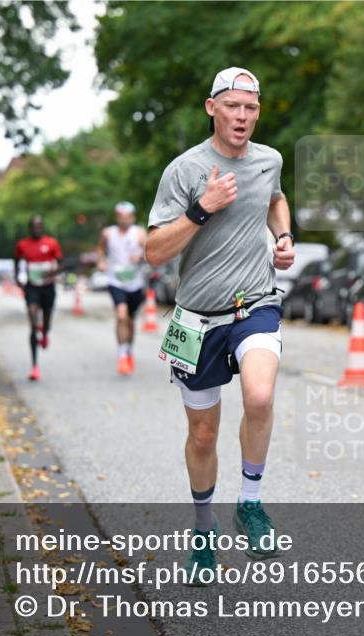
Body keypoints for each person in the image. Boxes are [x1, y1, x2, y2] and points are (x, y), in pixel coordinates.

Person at [145, 67, 295, 584]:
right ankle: (204, 533)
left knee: (259, 396)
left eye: (251, 108)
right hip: (195, 320)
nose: (242, 117)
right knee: (203, 435)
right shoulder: (184, 170)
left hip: (253, 304)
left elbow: (274, 197)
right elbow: (154, 251)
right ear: (212, 108)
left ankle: (250, 504)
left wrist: (284, 236)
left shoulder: (268, 160)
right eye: (233, 106)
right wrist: (202, 209)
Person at [97, 202, 147, 375]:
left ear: (132, 218)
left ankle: (128, 349)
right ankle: (122, 355)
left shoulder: (139, 233)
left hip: (135, 283)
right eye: (121, 217)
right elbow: (100, 250)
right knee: (121, 314)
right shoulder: (108, 233)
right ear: (116, 217)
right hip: (115, 281)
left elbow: (150, 252)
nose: (124, 221)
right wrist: (101, 261)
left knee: (130, 321)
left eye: (127, 217)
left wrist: (140, 255)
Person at [14, 216, 62, 381]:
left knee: (46, 322)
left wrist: (51, 275)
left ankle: (45, 332)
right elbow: (17, 261)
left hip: (48, 288)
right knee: (33, 323)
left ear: (42, 227)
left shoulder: (51, 243)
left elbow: (59, 264)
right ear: (30, 228)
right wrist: (17, 279)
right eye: (33, 226)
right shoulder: (22, 245)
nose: (36, 229)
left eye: (39, 226)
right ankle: (34, 366)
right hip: (32, 287)